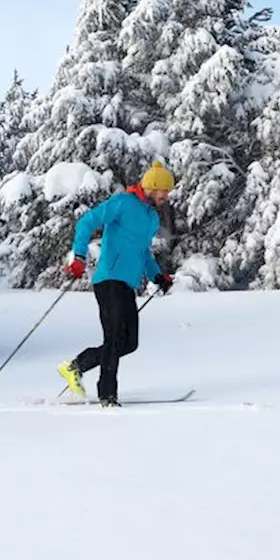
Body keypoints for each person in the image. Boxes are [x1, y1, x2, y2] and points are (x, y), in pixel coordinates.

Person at [57, 161, 176, 406]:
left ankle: (75, 367)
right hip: (109, 279)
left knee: (129, 343)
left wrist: (157, 276)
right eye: (164, 191)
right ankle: (107, 396)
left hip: (126, 284)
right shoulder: (123, 203)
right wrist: (79, 255)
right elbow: (87, 222)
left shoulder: (151, 218)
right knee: (113, 338)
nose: (167, 196)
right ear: (152, 188)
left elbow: (143, 253)